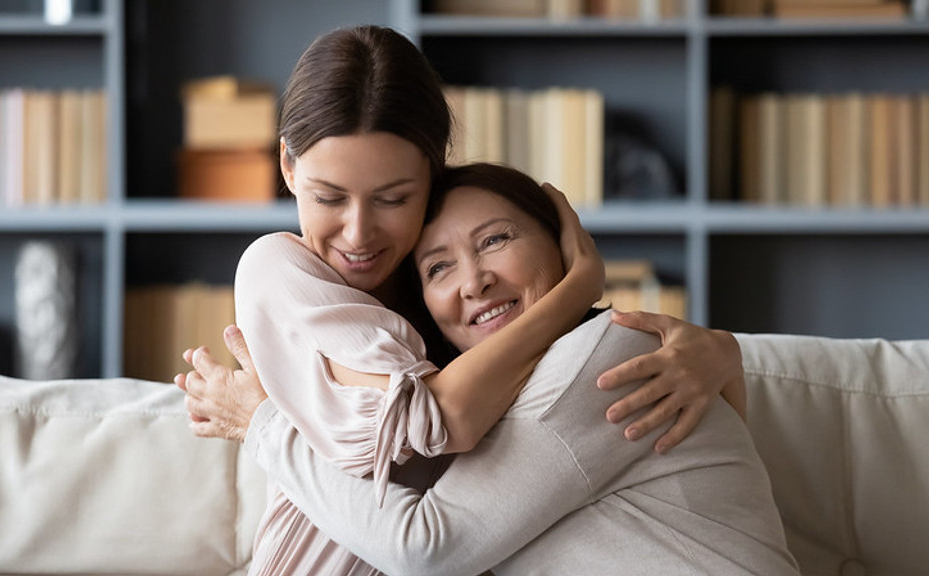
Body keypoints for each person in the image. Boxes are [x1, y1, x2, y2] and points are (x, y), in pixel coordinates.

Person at [175, 25, 747, 575]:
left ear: (432, 170)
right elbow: (433, 421)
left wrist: (723, 353)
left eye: (393, 198)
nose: (358, 233)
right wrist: (578, 288)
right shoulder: (278, 267)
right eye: (329, 197)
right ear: (288, 168)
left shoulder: (443, 302)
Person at [232, 163, 800, 575]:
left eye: (496, 240)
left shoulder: (604, 358)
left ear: (559, 244)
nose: (473, 281)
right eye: (437, 268)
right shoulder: (495, 405)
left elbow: (427, 548)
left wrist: (264, 423)